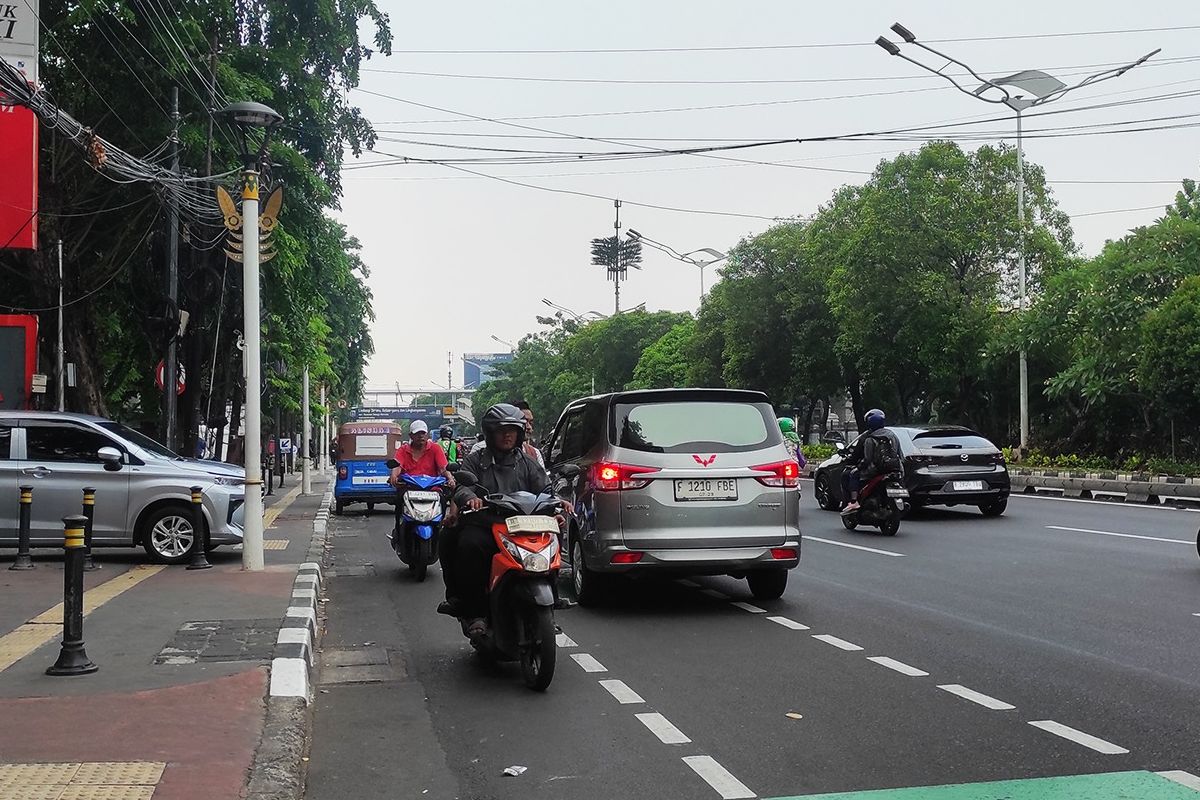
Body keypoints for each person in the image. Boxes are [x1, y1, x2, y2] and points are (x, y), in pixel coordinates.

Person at [441, 403, 570, 634]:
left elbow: (546, 490)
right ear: (490, 433)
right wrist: (471, 498)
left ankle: (551, 600)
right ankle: (474, 611)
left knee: (552, 541)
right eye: (501, 430)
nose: (508, 435)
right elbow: (461, 487)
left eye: (512, 430)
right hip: (487, 525)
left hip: (524, 527)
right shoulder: (475, 460)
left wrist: (557, 507)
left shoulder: (528, 463)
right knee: (468, 543)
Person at [842, 409, 902, 514]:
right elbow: (899, 454)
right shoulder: (893, 436)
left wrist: (858, 467)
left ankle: (854, 501)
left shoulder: (870, 438)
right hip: (894, 468)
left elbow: (867, 459)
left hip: (875, 470)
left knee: (852, 474)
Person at [470, 399, 545, 471]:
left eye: (531, 423)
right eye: (503, 429)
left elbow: (542, 482)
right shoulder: (477, 454)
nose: (528, 427)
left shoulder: (534, 454)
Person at [389, 420, 455, 487]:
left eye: (423, 433)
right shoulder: (403, 450)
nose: (420, 436)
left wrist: (450, 478)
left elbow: (443, 468)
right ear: (411, 436)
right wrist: (394, 476)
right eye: (417, 433)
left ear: (427, 435)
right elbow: (397, 466)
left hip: (432, 489)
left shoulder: (436, 448)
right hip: (409, 487)